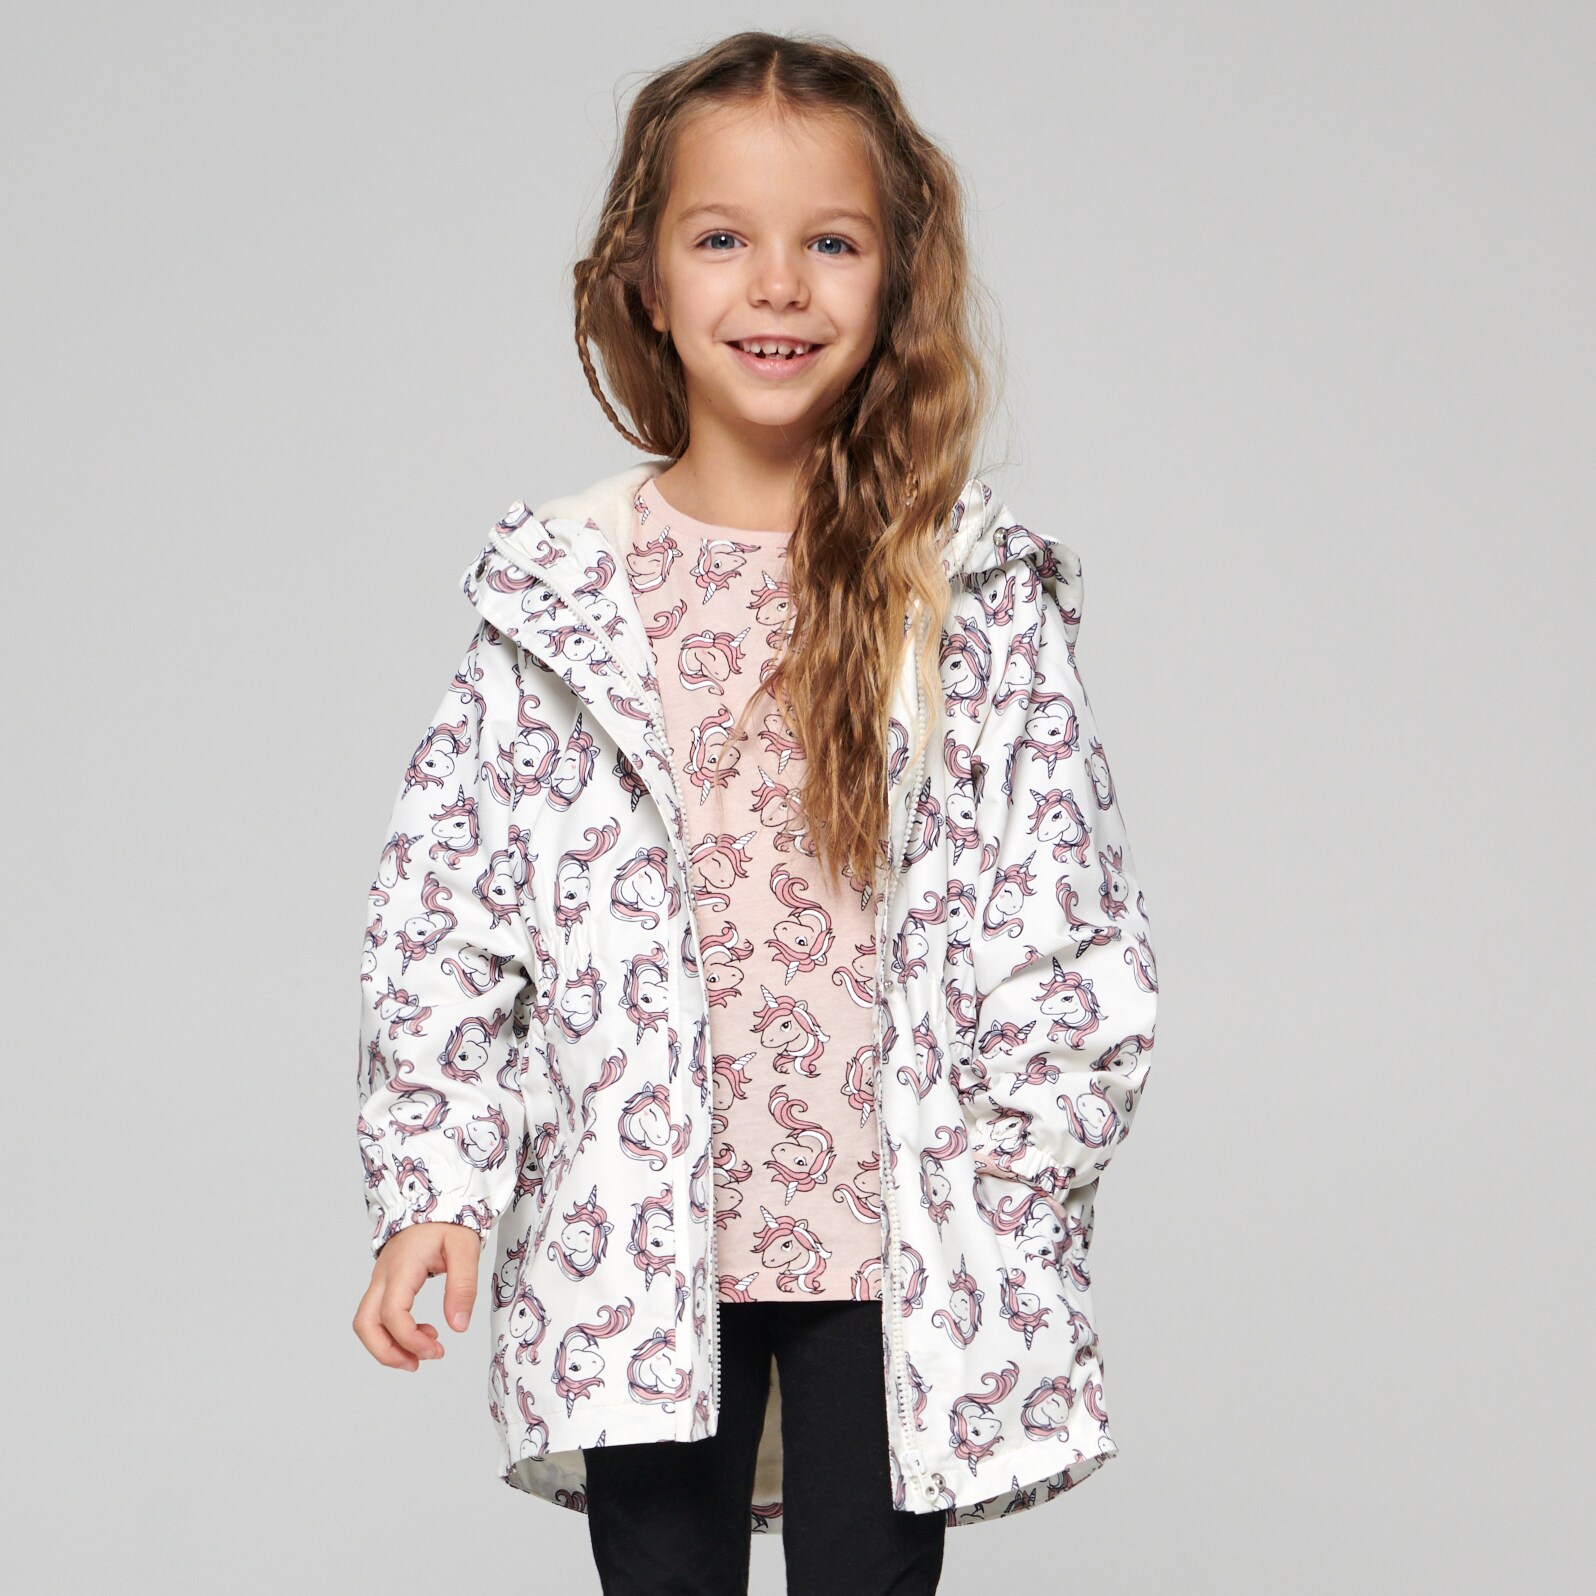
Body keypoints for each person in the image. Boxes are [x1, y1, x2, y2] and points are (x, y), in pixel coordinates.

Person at [351, 28, 1159, 1596]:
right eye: (722, 238)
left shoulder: (968, 591)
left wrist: (1008, 1189)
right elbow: (447, 917)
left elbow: (1067, 922)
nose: (778, 285)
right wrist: (436, 1190)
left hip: (898, 1262)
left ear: (895, 281)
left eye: (831, 243)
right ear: (645, 280)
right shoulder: (558, 597)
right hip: (638, 1250)